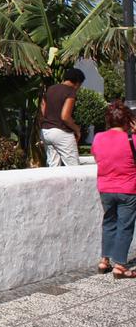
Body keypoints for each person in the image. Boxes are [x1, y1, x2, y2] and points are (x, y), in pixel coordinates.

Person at [91, 100, 136, 279]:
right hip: (128, 188)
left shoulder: (98, 138)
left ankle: (104, 260)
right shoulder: (131, 138)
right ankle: (120, 266)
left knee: (109, 222)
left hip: (105, 188)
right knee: (125, 226)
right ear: (127, 120)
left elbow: (96, 156)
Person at [40, 68, 85, 167]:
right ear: (77, 83)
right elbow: (65, 116)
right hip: (61, 133)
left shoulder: (50, 89)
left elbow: (43, 108)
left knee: (54, 167)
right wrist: (77, 129)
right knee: (74, 168)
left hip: (46, 131)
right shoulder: (70, 92)